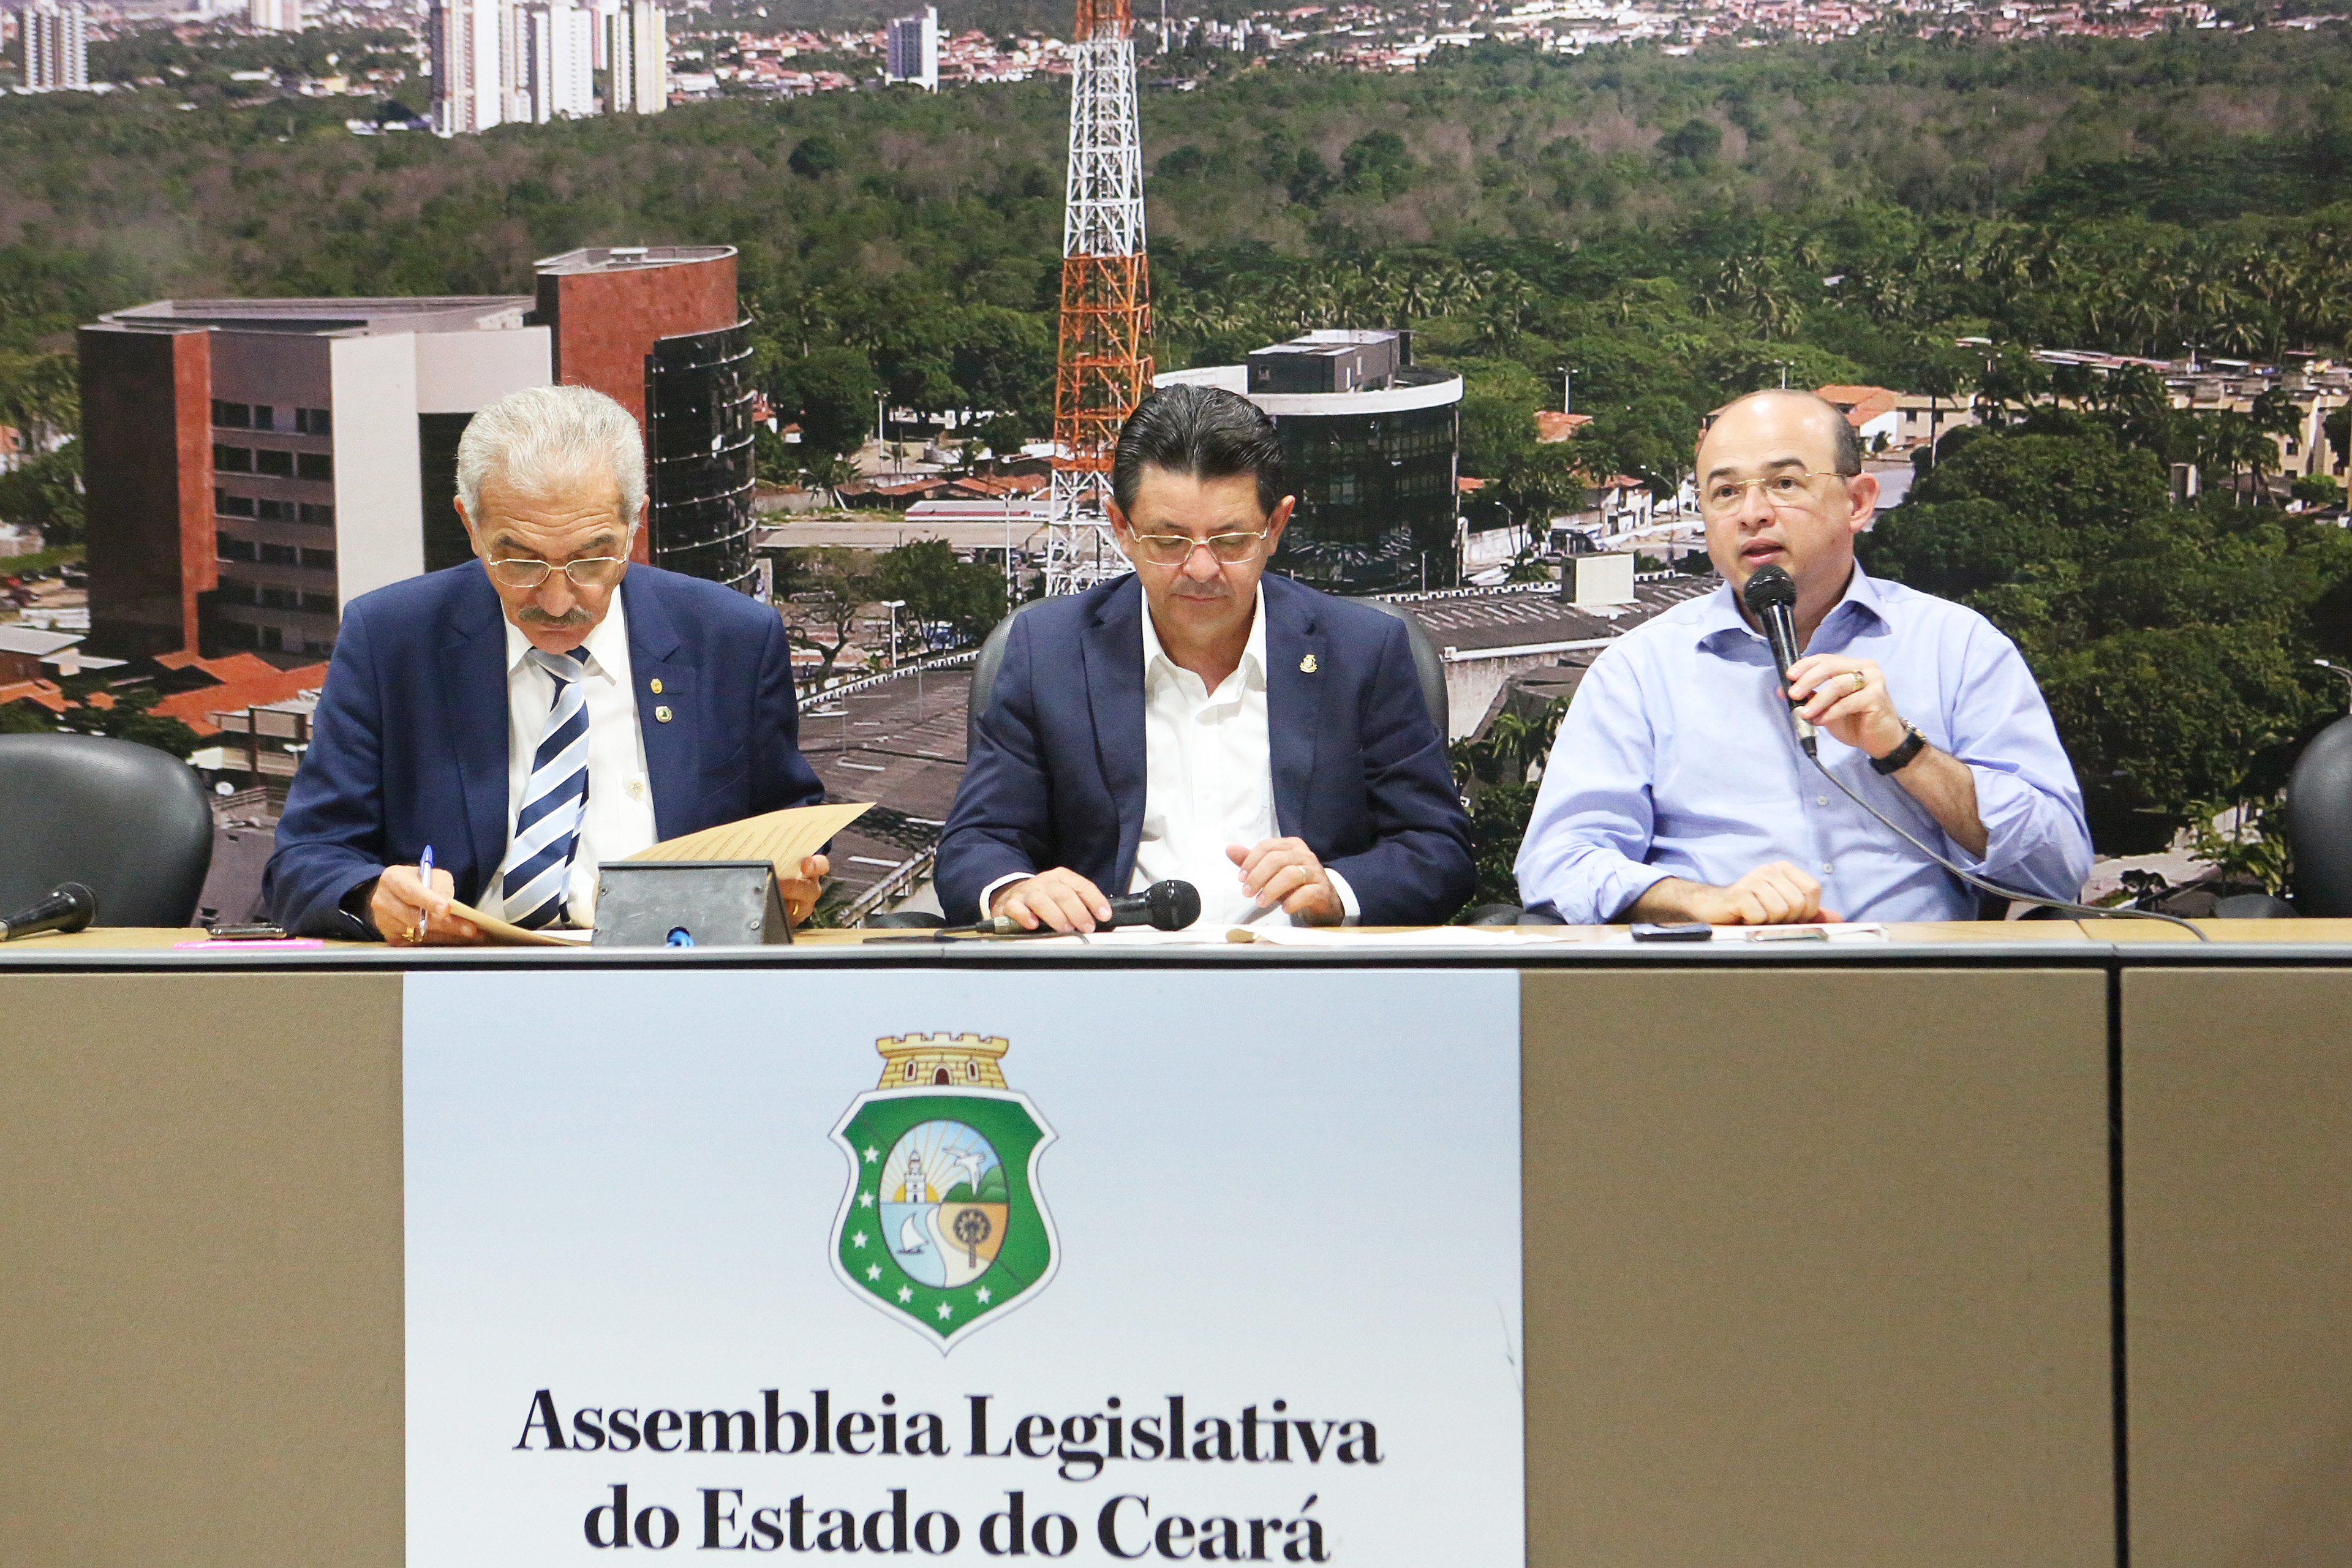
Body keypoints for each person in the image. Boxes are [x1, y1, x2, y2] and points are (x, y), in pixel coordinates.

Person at [265, 385, 827, 943]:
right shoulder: (391, 639)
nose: (557, 602)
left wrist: (792, 880)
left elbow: (791, 829)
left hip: (672, 968)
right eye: (520, 562)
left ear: (634, 526)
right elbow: (306, 861)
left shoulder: (731, 639)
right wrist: (372, 897)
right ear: (471, 526)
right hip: (462, 974)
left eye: (590, 560)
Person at [1514, 388, 2092, 925]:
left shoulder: (1958, 647)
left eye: (1785, 484)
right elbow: (1558, 865)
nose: (1753, 513)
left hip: (1913, 982)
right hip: (1713, 980)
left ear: (1858, 502)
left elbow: (2057, 869)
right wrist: (1704, 902)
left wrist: (1905, 751)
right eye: (1725, 492)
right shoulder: (1640, 669)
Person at [936, 383, 1473, 931]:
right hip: (1112, 970)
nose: (1200, 569)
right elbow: (978, 842)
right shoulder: (1047, 652)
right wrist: (1015, 891)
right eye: (1169, 542)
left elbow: (1437, 848)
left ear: (1276, 527)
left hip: (1300, 970)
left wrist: (1335, 892)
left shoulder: (1362, 651)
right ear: (1122, 529)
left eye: (1231, 540)